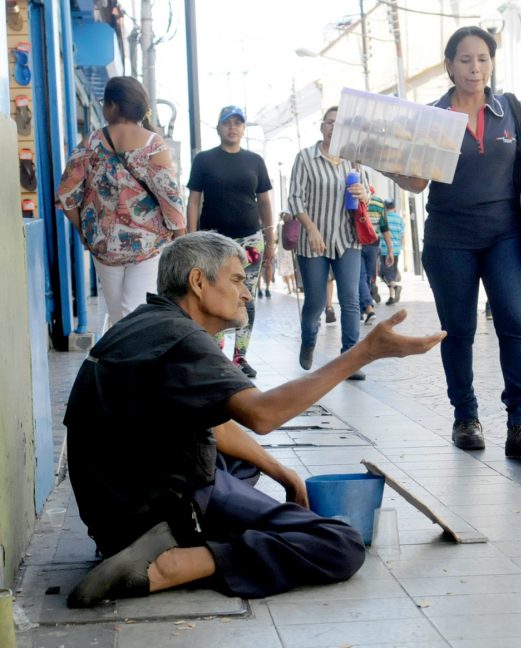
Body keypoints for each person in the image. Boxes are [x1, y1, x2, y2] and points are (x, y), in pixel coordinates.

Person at [64, 231, 445, 608]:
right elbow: (263, 415)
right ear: (198, 282)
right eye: (236, 280)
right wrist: (365, 352)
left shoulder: (144, 324)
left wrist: (285, 474)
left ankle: (179, 539)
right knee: (338, 543)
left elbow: (214, 421)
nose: (246, 292)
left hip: (113, 513)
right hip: (151, 513)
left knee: (242, 464)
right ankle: (176, 562)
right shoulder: (182, 339)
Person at [385, 26, 521, 457]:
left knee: (515, 322)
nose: (475, 68)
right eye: (465, 60)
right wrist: (386, 163)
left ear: (491, 63)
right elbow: (414, 182)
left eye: (483, 59)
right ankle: (465, 416)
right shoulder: (434, 116)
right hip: (450, 238)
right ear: (449, 66)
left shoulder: (509, 109)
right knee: (459, 329)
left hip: (505, 234)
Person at [58, 76, 186, 324]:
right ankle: (133, 359)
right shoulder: (153, 144)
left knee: (118, 313)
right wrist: (179, 235)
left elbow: (65, 197)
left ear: (113, 106)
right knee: (134, 312)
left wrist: (83, 231)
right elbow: (170, 198)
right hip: (147, 244)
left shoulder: (90, 144)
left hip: (104, 245)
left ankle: (124, 359)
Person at [186, 105, 275, 379]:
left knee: (244, 298)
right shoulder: (204, 160)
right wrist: (191, 238)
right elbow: (194, 200)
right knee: (213, 296)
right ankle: (216, 355)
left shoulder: (255, 161)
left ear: (244, 128)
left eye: (238, 123)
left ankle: (240, 357)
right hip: (214, 242)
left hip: (250, 240)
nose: (232, 127)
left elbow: (265, 201)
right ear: (219, 128)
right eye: (227, 123)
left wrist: (271, 241)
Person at [288, 106, 371, 379]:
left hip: (347, 238)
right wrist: (310, 229)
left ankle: (350, 360)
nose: (334, 128)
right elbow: (295, 198)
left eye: (340, 123)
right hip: (315, 239)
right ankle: (309, 338)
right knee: (316, 300)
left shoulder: (354, 160)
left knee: (350, 298)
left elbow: (368, 197)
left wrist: (363, 194)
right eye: (330, 123)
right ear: (322, 127)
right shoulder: (305, 158)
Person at [360, 187, 393, 324]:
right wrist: (390, 250)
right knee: (367, 276)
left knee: (359, 277)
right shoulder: (379, 203)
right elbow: (384, 227)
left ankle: (367, 307)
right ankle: (364, 308)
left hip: (358, 243)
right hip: (374, 244)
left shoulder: (357, 201)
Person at [380, 199, 403, 305]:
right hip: (396, 249)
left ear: (385, 207)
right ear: (394, 207)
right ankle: (391, 297)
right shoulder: (399, 219)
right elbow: (402, 234)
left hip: (385, 249)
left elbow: (382, 233)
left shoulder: (384, 218)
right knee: (391, 273)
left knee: (384, 273)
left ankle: (395, 286)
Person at [277, 212, 298, 294]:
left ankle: (289, 288)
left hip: (282, 250)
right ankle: (293, 286)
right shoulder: (291, 224)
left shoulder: (279, 225)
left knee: (285, 270)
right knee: (292, 268)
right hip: (290, 249)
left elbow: (276, 237)